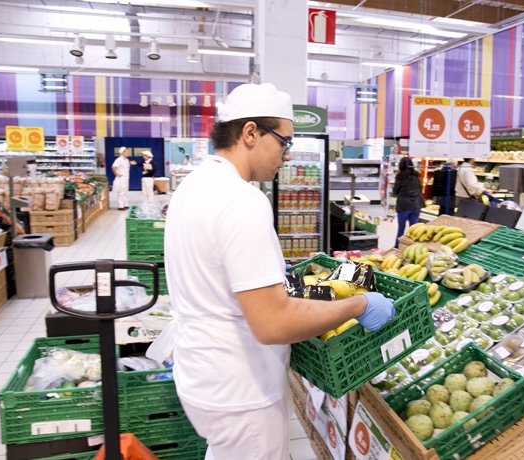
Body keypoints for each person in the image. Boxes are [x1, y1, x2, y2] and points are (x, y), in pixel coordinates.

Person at [163, 83, 396, 459]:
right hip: (242, 388)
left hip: (202, 374)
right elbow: (273, 323)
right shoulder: (242, 201)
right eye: (284, 142)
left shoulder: (196, 185)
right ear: (250, 133)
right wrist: (359, 305)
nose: (287, 155)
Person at [392, 156, 425, 247]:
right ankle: (412, 247)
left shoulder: (400, 177)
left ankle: (398, 247)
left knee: (401, 228)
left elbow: (395, 191)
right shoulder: (417, 176)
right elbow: (420, 188)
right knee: (413, 229)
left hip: (404, 206)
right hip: (416, 205)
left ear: (401, 166)